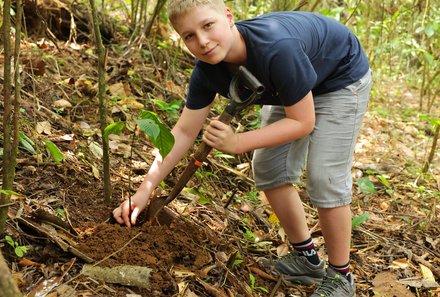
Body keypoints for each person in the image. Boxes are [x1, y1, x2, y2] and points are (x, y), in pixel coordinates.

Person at [113, 0, 372, 296]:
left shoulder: (276, 48)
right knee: (269, 168)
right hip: (288, 86)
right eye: (189, 36)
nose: (203, 41)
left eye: (207, 26)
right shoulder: (207, 71)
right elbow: (184, 131)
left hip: (339, 77)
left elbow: (302, 122)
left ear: (228, 17)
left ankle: (341, 276)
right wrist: (144, 190)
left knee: (324, 175)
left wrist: (237, 142)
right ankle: (306, 258)